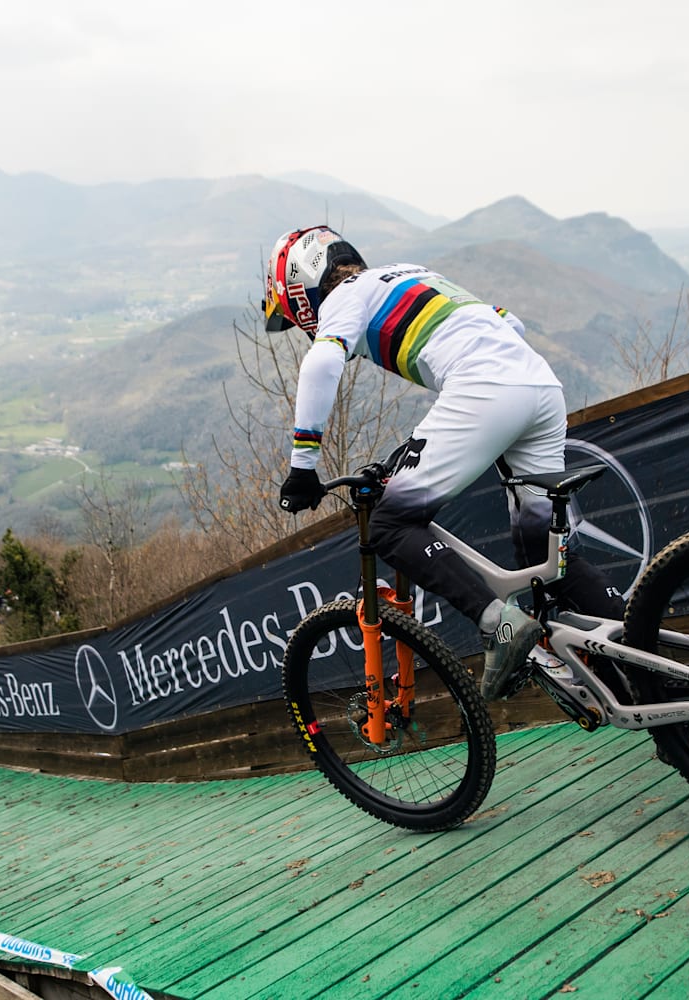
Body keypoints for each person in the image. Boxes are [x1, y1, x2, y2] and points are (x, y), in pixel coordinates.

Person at [264, 226, 624, 701]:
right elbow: (508, 323)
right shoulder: (413, 273)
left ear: (299, 290)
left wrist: (303, 466)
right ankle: (641, 660)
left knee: (390, 523)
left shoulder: (346, 294)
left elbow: (321, 364)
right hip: (539, 386)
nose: (302, 323)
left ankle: (497, 624)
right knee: (543, 550)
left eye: (293, 316)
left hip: (486, 390)